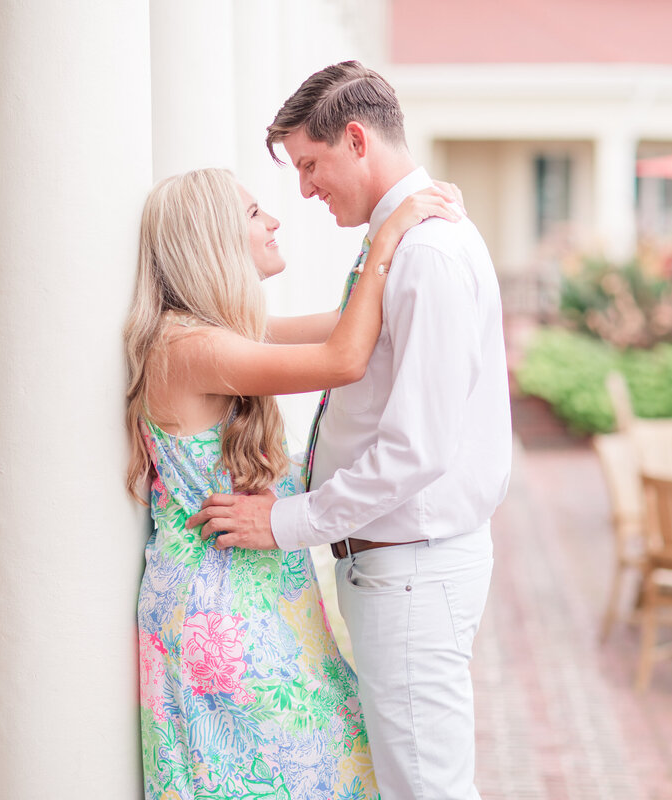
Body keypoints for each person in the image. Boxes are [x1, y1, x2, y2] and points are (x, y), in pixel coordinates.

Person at [186, 61, 513, 800]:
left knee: (424, 789)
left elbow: (415, 450)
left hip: (413, 571)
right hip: (401, 567)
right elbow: (345, 338)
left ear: (356, 140)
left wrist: (288, 522)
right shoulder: (406, 240)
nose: (304, 189)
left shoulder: (425, 253)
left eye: (310, 164)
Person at [127, 167, 461, 800]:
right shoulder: (191, 347)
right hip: (219, 609)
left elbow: (346, 325)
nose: (274, 221)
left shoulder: (217, 337)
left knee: (323, 769)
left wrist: (389, 230)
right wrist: (389, 232)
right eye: (255, 214)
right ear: (213, 240)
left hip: (253, 591)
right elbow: (344, 359)